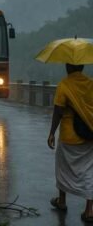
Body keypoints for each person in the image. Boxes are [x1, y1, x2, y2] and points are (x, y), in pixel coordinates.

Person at [48, 63, 93, 222]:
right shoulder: (91, 84)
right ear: (82, 67)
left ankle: (62, 201)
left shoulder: (64, 85)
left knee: (62, 168)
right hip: (89, 135)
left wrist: (52, 132)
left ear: (68, 67)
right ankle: (89, 211)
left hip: (69, 137)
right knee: (89, 172)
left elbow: (58, 111)